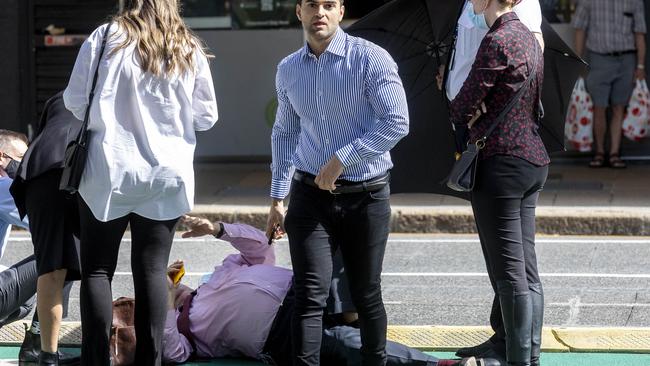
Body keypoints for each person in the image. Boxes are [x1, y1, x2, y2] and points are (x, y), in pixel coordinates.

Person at [62, 0, 219, 364]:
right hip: (166, 172)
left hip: (109, 169)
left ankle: (97, 359)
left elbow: (74, 100)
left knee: (98, 269)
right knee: (150, 268)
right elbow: (207, 116)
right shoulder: (187, 46)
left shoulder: (105, 38)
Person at [265, 0, 409, 364]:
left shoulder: (371, 59)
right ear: (299, 11)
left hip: (367, 196)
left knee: (366, 294)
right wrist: (277, 198)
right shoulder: (288, 69)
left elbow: (397, 121)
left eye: (329, 4)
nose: (320, 13)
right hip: (310, 196)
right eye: (312, 4)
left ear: (341, 11)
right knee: (310, 295)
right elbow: (284, 132)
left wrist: (343, 158)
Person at [162, 216, 478, 366]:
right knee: (344, 343)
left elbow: (261, 247)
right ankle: (437, 364)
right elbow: (171, 351)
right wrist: (163, 297)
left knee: (335, 239)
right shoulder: (185, 330)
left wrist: (219, 230)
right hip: (281, 332)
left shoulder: (217, 276)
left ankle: (349, 311)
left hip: (302, 289)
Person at [436, 0, 544, 361]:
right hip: (531, 157)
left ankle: (516, 359)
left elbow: (459, 106)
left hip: (499, 163)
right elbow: (534, 103)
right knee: (526, 271)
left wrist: (465, 100)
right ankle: (530, 356)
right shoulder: (528, 37)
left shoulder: (496, 41)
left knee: (509, 274)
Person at [573, 0, 646, 169]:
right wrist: (578, 60)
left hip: (627, 58)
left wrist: (640, 66)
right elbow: (579, 28)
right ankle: (599, 152)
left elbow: (640, 32)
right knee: (599, 107)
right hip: (599, 58)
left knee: (619, 107)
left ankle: (614, 153)